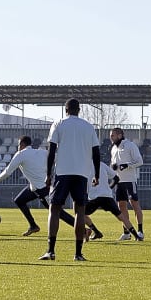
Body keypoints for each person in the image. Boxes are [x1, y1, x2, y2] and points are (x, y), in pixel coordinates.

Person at [42, 98, 100, 262]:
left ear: (65, 110)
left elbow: (51, 150)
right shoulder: (88, 126)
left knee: (54, 209)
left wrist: (48, 174)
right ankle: (78, 253)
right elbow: (96, 152)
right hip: (81, 174)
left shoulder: (59, 124)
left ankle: (51, 251)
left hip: (63, 172)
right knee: (79, 211)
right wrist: (97, 174)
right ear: (79, 110)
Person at [0, 136, 74, 235]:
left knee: (57, 212)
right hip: (38, 186)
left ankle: (83, 231)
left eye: (19, 145)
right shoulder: (42, 152)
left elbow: (7, 172)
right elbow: (57, 158)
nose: (18, 147)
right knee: (19, 200)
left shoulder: (20, 154)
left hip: (42, 189)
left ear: (22, 145)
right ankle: (33, 226)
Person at [83, 159, 144, 241]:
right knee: (121, 217)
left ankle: (96, 231)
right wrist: (109, 187)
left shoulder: (84, 167)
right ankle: (136, 236)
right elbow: (116, 178)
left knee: (80, 214)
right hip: (107, 196)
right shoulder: (102, 164)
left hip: (94, 198)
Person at [109, 128, 146, 240]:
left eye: (113, 135)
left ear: (120, 135)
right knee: (121, 206)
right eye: (111, 135)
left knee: (134, 204)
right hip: (119, 181)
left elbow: (139, 161)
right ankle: (127, 232)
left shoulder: (130, 145)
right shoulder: (113, 148)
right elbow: (112, 164)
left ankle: (140, 231)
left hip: (130, 180)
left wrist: (127, 165)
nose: (111, 138)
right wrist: (113, 167)